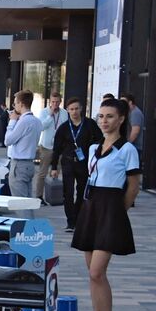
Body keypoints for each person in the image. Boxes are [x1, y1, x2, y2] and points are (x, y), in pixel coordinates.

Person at [72, 97, 140, 311]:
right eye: (101, 116)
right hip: (91, 207)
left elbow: (134, 186)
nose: (104, 121)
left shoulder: (127, 150)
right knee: (93, 274)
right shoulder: (93, 147)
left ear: (121, 119)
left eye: (109, 116)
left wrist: (118, 211)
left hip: (111, 208)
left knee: (97, 272)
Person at [52, 96, 103, 231]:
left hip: (84, 163)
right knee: (67, 192)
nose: (74, 112)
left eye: (76, 109)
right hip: (68, 162)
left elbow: (100, 140)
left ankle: (79, 217)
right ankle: (70, 221)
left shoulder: (89, 124)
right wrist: (53, 167)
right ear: (67, 110)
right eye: (71, 109)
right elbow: (56, 148)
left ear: (81, 109)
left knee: (81, 192)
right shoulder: (64, 128)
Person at [4, 90, 42, 198]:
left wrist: (12, 122)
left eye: (15, 103)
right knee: (26, 200)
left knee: (20, 202)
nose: (14, 106)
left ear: (21, 104)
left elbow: (8, 141)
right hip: (29, 163)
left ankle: (26, 216)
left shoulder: (24, 121)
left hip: (19, 164)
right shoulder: (37, 121)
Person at [34, 92, 62, 198]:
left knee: (55, 172)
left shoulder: (63, 113)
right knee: (42, 173)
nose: (55, 104)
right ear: (50, 102)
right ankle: (39, 196)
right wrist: (50, 116)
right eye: (53, 102)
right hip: (46, 147)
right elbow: (41, 127)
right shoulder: (44, 112)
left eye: (57, 102)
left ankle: (52, 196)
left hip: (58, 147)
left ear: (60, 102)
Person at [122, 92, 145, 161]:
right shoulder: (130, 112)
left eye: (124, 102)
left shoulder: (135, 113)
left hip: (136, 146)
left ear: (130, 102)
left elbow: (135, 131)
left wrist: (128, 144)